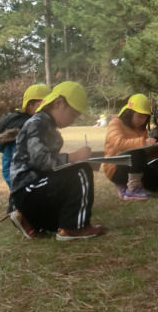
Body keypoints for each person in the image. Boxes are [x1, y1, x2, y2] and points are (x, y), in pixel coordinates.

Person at [9, 81, 106, 241]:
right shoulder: (38, 124)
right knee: (81, 171)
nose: (73, 120)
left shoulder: (44, 124)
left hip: (29, 191)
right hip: (28, 189)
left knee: (60, 218)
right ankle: (74, 228)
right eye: (73, 114)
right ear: (58, 103)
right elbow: (41, 161)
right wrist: (74, 157)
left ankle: (29, 220)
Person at [0, 83, 50, 212]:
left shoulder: (27, 122)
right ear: (29, 105)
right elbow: (15, 164)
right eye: (41, 105)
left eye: (48, 105)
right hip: (18, 173)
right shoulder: (27, 126)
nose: (45, 109)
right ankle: (18, 206)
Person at [102, 94, 158, 200]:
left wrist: (156, 149)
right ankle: (133, 189)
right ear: (130, 113)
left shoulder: (142, 130)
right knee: (137, 152)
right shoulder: (115, 123)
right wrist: (143, 142)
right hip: (115, 168)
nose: (142, 120)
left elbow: (144, 155)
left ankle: (126, 185)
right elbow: (118, 143)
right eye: (139, 116)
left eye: (145, 117)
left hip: (135, 167)